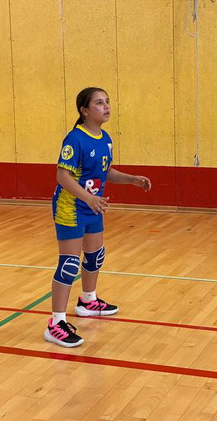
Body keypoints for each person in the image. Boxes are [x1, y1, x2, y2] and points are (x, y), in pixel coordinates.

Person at [45, 87, 152, 348]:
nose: (106, 107)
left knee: (95, 256)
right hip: (72, 207)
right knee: (69, 264)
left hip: (92, 206)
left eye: (107, 102)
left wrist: (132, 179)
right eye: (99, 103)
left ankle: (87, 301)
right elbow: (62, 176)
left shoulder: (105, 138)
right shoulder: (75, 139)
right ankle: (55, 324)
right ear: (84, 110)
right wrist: (88, 198)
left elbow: (105, 171)